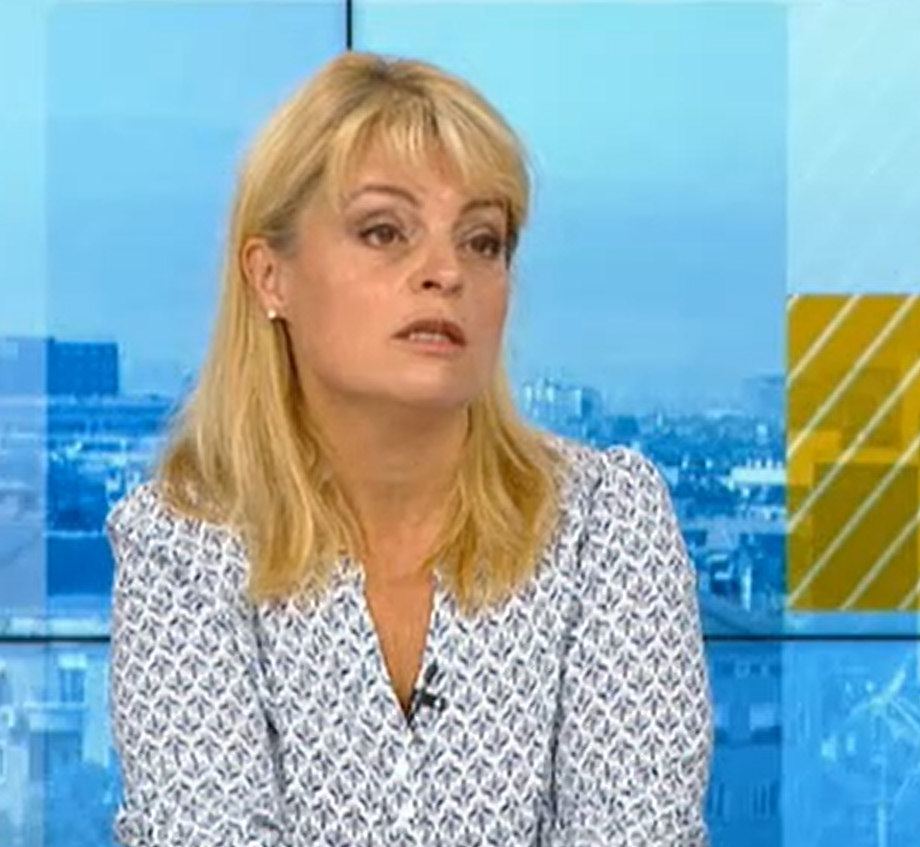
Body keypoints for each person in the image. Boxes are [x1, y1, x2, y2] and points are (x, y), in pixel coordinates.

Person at [105, 52, 713, 846]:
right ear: (270, 276)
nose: (445, 272)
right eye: (385, 231)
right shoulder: (184, 542)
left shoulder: (606, 522)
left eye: (482, 241)